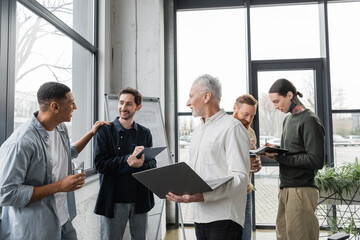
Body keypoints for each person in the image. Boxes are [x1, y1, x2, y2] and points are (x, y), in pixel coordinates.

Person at [0, 82, 109, 240]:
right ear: (55, 107)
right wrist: (59, 186)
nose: (75, 107)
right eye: (71, 103)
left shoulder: (60, 128)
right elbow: (7, 194)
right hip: (36, 229)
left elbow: (68, 152)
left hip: (63, 220)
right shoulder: (21, 143)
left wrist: (91, 133)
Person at [166, 74, 250, 240]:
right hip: (200, 215)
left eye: (191, 96)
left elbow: (240, 177)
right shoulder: (198, 131)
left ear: (206, 96)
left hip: (224, 218)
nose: (187, 103)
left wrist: (203, 196)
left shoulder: (232, 128)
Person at [93, 87, 156, 240]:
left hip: (140, 200)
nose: (123, 107)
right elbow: (100, 165)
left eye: (129, 104)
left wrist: (140, 165)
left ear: (138, 107)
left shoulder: (145, 132)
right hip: (114, 199)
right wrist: (128, 160)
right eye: (121, 103)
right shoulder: (104, 131)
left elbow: (152, 164)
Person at [266, 78, 325, 240]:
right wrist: (275, 151)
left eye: (277, 101)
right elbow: (292, 153)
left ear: (290, 95)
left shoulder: (309, 120)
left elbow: (316, 160)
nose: (275, 106)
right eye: (273, 102)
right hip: (286, 190)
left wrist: (280, 158)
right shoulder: (288, 120)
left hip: (301, 191)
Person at [233, 94, 262, 240]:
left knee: (245, 236)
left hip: (246, 192)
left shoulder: (250, 132)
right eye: (245, 114)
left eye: (252, 116)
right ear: (235, 109)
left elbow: (252, 160)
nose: (249, 120)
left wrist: (256, 164)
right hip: (229, 194)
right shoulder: (226, 129)